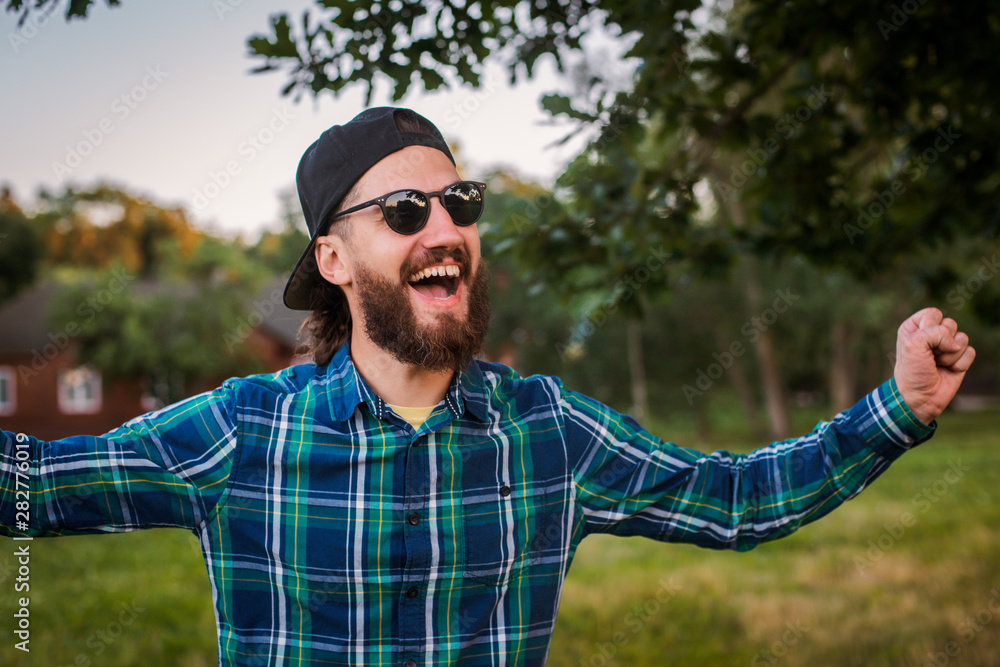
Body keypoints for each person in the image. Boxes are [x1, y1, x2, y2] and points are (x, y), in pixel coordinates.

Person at [1, 107, 976, 666]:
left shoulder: (547, 431)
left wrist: (893, 411)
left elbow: (735, 500)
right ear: (333, 258)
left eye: (459, 203)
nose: (444, 225)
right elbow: (28, 484)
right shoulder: (240, 433)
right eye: (404, 209)